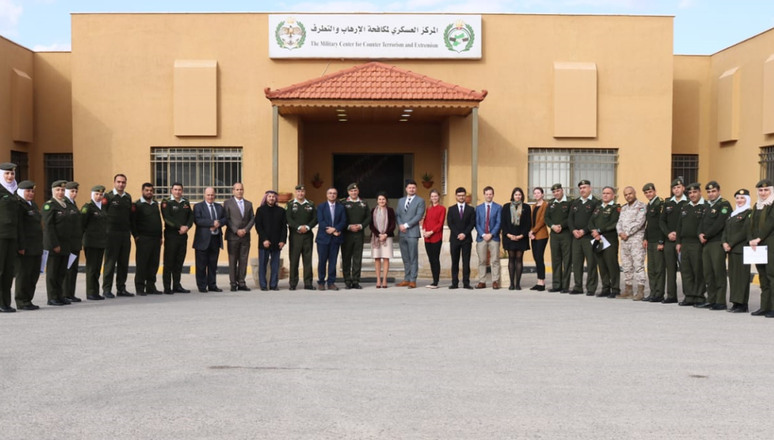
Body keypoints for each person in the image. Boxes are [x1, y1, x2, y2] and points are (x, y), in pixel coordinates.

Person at [698, 181, 732, 310]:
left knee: (718, 272)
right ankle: (711, 299)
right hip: (706, 243)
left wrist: (706, 236)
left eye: (713, 191)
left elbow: (720, 223)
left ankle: (720, 301)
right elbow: (701, 222)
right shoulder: (707, 205)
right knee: (708, 272)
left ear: (719, 191)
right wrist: (699, 234)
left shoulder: (724, 204)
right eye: (709, 192)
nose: (711, 194)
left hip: (717, 242)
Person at [43, 180, 76, 306]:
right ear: (53, 191)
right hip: (54, 244)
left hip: (65, 243)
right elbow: (48, 227)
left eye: (62, 190)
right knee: (52, 272)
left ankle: (59, 295)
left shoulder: (65, 205)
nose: (60, 192)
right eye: (58, 190)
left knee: (62, 271)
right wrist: (54, 244)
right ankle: (52, 297)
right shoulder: (49, 205)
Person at [103, 173, 133, 298]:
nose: (121, 184)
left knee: (123, 262)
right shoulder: (108, 196)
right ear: (114, 182)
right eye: (119, 182)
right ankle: (107, 289)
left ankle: (121, 288)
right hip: (111, 234)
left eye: (123, 182)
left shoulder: (127, 197)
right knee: (110, 262)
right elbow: (103, 214)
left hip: (125, 234)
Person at [568, 179, 601, 295]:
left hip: (589, 238)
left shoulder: (596, 202)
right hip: (576, 238)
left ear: (590, 188)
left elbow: (595, 220)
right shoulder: (576, 202)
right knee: (576, 263)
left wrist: (584, 230)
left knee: (591, 263)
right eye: (581, 188)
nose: (582, 190)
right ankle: (578, 286)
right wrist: (573, 230)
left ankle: (591, 288)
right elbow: (570, 219)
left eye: (585, 187)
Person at [14, 180, 42, 310]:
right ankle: (21, 300)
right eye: (28, 191)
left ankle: (28, 299)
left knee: (33, 274)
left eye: (32, 191)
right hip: (25, 246)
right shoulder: (19, 205)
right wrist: (21, 246)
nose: (31, 193)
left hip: (36, 246)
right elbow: (19, 227)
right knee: (24, 274)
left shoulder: (33, 205)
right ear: (21, 191)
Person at [676, 182, 706, 306]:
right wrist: (678, 242)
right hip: (685, 243)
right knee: (686, 270)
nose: (692, 195)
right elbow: (679, 225)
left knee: (698, 270)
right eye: (690, 193)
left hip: (697, 243)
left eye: (695, 192)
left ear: (700, 192)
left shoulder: (705, 207)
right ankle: (689, 296)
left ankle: (699, 296)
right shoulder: (685, 207)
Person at [748, 179, 774, 317]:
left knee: (772, 275)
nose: (763, 193)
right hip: (758, 246)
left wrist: (759, 238)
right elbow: (751, 224)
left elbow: (770, 223)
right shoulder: (757, 205)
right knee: (763, 276)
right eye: (761, 190)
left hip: (770, 244)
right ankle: (765, 306)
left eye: (766, 190)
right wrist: (751, 239)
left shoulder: (772, 204)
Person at [722, 188, 751, 313]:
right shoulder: (733, 214)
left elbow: (744, 231)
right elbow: (725, 230)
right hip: (731, 250)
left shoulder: (748, 213)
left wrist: (731, 243)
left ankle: (742, 304)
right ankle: (735, 302)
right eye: (738, 198)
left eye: (742, 198)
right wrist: (724, 242)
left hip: (741, 249)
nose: (739, 200)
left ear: (747, 200)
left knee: (742, 277)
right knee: (733, 277)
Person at [161, 183, 193, 294]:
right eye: (175, 189)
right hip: (171, 236)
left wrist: (187, 227)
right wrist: (180, 227)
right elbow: (167, 218)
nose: (177, 192)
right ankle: (167, 287)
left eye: (179, 190)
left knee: (179, 262)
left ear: (182, 191)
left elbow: (190, 217)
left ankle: (177, 285)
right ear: (171, 190)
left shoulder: (185, 202)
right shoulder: (166, 202)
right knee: (169, 262)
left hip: (183, 236)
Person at [589, 186, 621, 298]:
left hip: (609, 239)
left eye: (608, 193)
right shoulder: (598, 208)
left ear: (613, 195)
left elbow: (614, 223)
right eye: (603, 193)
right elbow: (591, 221)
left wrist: (599, 231)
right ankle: (605, 288)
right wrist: (593, 231)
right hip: (597, 239)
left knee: (611, 264)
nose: (605, 195)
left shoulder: (615, 208)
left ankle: (615, 289)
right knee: (601, 265)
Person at [131, 182, 163, 295]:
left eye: (151, 190)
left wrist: (160, 236)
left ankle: (151, 286)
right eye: (147, 190)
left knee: (154, 263)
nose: (149, 192)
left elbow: (158, 221)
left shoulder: (154, 204)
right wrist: (136, 236)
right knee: (142, 264)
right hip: (143, 239)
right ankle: (140, 287)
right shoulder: (137, 205)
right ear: (142, 191)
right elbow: (133, 222)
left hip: (155, 239)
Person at [659, 178, 687, 304]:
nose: (676, 189)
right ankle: (671, 295)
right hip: (669, 240)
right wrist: (668, 233)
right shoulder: (668, 203)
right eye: (674, 188)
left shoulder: (687, 203)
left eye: (679, 187)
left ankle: (688, 295)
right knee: (670, 269)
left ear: (683, 188)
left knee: (685, 269)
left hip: (682, 241)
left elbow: (687, 223)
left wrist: (678, 234)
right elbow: (662, 221)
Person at [192, 187, 226, 292]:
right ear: (204, 195)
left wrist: (218, 223)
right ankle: (202, 286)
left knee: (213, 264)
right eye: (208, 195)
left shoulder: (219, 207)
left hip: (215, 239)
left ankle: (212, 285)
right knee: (201, 265)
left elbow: (225, 219)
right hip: (202, 240)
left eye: (212, 195)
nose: (210, 197)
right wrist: (212, 223)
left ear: (214, 195)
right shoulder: (198, 206)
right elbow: (197, 220)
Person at [616, 186, 647, 300]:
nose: (628, 196)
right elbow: (619, 222)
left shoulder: (641, 206)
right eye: (626, 195)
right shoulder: (624, 208)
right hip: (624, 241)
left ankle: (640, 291)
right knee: (626, 265)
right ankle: (628, 289)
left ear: (634, 193)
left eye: (630, 193)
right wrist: (620, 233)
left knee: (638, 266)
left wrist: (627, 233)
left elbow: (640, 222)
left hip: (636, 240)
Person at [223, 182, 254, 291]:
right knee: (233, 260)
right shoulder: (227, 203)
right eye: (237, 189)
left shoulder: (249, 204)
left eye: (241, 189)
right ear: (233, 191)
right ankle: (233, 283)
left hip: (245, 236)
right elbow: (227, 219)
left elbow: (252, 219)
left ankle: (241, 282)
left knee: (243, 260)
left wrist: (245, 230)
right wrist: (236, 230)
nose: (239, 191)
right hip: (233, 236)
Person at [286, 184, 317, 291]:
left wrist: (307, 227)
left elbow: (315, 218)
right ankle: (293, 283)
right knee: (294, 260)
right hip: (295, 236)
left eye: (302, 192)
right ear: (296, 192)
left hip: (308, 235)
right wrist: (298, 227)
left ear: (305, 192)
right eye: (298, 192)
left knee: (307, 260)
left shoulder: (310, 204)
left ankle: (308, 283)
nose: (300, 193)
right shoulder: (290, 204)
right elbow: (288, 218)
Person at [255, 190, 287, 291]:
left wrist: (282, 241)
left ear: (276, 199)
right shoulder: (260, 210)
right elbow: (258, 226)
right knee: (262, 265)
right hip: (264, 242)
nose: (272, 198)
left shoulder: (281, 211)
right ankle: (263, 285)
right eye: (269, 196)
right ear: (266, 198)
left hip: (277, 243)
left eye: (273, 197)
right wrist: (264, 239)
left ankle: (274, 285)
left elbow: (284, 228)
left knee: (275, 265)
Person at [80, 185, 108, 300]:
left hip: (101, 242)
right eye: (96, 194)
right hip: (91, 242)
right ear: (92, 195)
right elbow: (82, 224)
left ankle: (96, 291)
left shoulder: (103, 208)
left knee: (97, 268)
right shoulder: (88, 207)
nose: (99, 196)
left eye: (101, 194)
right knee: (91, 268)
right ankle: (91, 292)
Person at [396, 180, 425, 289]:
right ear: (406, 189)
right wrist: (400, 225)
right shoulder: (401, 201)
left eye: (413, 187)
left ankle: (413, 280)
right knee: (405, 257)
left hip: (412, 232)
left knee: (413, 257)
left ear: (416, 189)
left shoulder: (420, 201)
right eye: (409, 187)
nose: (411, 189)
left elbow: (418, 216)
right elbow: (397, 215)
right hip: (402, 233)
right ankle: (406, 279)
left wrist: (406, 225)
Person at [316, 187, 346, 290]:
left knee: (333, 261)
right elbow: (320, 220)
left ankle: (331, 282)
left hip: (335, 238)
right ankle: (321, 282)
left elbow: (343, 221)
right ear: (326, 195)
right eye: (330, 193)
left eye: (334, 193)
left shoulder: (341, 207)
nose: (332, 195)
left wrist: (335, 229)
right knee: (322, 261)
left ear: (336, 195)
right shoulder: (321, 207)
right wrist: (330, 229)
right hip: (323, 238)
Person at [501, 187, 532, 290]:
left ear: (522, 196)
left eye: (519, 195)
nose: (518, 196)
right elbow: (503, 222)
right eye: (516, 195)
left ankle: (518, 283)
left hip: (521, 237)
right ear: (512, 196)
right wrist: (508, 235)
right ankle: (511, 283)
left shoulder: (526, 207)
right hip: (509, 236)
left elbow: (528, 223)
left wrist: (522, 235)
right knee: (511, 258)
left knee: (519, 258)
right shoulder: (506, 207)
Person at [341, 183, 370, 289]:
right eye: (351, 191)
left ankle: (356, 280)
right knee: (346, 257)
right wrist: (348, 227)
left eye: (355, 190)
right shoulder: (343, 203)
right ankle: (347, 280)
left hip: (359, 233)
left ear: (358, 191)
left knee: (357, 258)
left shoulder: (363, 203)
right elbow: (340, 218)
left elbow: (368, 217)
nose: (353, 192)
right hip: (347, 234)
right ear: (348, 192)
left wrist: (361, 226)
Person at [545, 183, 572, 293]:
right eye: (554, 192)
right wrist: (552, 226)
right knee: (555, 260)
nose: (556, 193)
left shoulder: (570, 202)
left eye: (558, 191)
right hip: (554, 235)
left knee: (566, 260)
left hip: (566, 234)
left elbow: (571, 217)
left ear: (562, 190)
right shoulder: (551, 203)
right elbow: (546, 217)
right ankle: (556, 284)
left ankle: (565, 286)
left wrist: (561, 226)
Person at [447, 187, 476, 290]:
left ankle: (466, 283)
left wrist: (464, 233)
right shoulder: (451, 209)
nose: (461, 197)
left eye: (463, 195)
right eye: (459, 195)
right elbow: (450, 223)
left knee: (466, 262)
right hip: (454, 239)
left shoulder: (471, 209)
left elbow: (472, 223)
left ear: (465, 196)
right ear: (456, 196)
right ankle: (454, 282)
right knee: (454, 261)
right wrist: (458, 234)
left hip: (466, 239)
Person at [0, 162, 19, 313]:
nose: (10, 176)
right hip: (1, 235)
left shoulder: (14, 191)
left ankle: (5, 302)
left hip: (12, 235)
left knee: (8, 271)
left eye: (12, 173)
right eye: (6, 173)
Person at [642, 183, 665, 302]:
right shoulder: (649, 205)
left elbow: (662, 223)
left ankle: (659, 293)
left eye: (650, 192)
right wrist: (645, 238)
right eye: (646, 193)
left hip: (657, 240)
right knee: (651, 268)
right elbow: (648, 224)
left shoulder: (659, 204)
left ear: (655, 191)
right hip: (650, 240)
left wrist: (661, 241)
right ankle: (652, 292)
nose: (648, 194)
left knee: (659, 268)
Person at [475, 186, 502, 289]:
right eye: (487, 194)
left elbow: (499, 222)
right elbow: (476, 223)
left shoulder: (498, 207)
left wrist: (491, 234)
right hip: (482, 237)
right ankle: (482, 281)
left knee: (495, 260)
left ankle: (495, 281)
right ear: (484, 195)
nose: (489, 196)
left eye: (490, 194)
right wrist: (483, 234)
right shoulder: (478, 208)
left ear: (493, 195)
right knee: (482, 260)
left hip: (493, 237)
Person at [62, 181, 83, 303]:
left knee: (73, 269)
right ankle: (65, 293)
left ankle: (71, 292)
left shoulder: (73, 204)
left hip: (75, 242)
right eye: (72, 191)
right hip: (68, 242)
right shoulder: (64, 204)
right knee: (67, 269)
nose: (74, 193)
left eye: (76, 191)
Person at [371, 192, 396, 289]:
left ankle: (384, 279)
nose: (381, 201)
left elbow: (393, 224)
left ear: (386, 201)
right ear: (377, 201)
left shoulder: (390, 210)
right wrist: (378, 235)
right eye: (380, 199)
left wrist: (385, 234)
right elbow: (371, 225)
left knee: (386, 258)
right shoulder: (373, 210)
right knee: (377, 258)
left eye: (383, 199)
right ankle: (378, 279)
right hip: (376, 237)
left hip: (387, 237)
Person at [423, 189, 446, 288]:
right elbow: (425, 220)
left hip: (436, 237)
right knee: (431, 259)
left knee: (435, 259)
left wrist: (431, 232)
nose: (434, 198)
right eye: (432, 196)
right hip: (427, 238)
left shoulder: (442, 208)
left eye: (436, 196)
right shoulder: (428, 209)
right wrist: (424, 230)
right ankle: (433, 279)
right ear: (430, 198)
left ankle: (436, 282)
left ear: (439, 197)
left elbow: (440, 223)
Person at [528, 187, 548, 291]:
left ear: (542, 194)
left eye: (538, 193)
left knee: (540, 257)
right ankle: (538, 281)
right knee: (536, 257)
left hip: (541, 235)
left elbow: (542, 220)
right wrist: (531, 232)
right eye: (534, 193)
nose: (536, 195)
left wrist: (533, 231)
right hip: (533, 235)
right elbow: (532, 220)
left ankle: (542, 282)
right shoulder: (534, 206)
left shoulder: (545, 205)